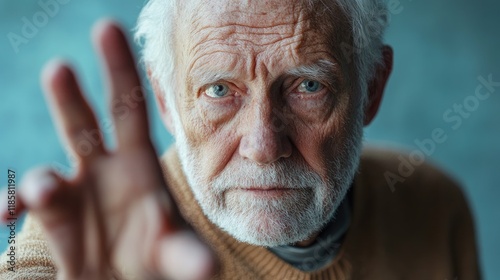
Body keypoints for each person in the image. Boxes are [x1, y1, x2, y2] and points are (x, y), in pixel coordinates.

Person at [0, 0, 481, 279]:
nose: (264, 146)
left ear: (371, 88)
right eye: (218, 90)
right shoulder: (80, 240)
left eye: (308, 86)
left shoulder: (434, 205)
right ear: (167, 102)